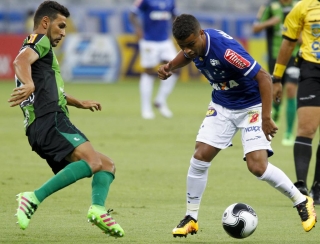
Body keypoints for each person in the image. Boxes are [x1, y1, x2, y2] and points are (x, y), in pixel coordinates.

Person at [157, 14, 317, 238]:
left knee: (258, 167)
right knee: (200, 156)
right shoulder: (192, 46)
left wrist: (266, 117)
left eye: (192, 44)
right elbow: (186, 55)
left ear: (201, 34)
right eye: (183, 46)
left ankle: (302, 201)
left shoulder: (225, 51)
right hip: (222, 104)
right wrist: (170, 66)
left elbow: (263, 76)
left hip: (252, 106)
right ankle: (191, 217)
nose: (189, 50)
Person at [7, 1, 124, 237]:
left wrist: (79, 102)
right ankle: (33, 198)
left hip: (38, 127)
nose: (63, 32)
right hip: (51, 119)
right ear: (45, 22)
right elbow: (19, 61)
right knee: (92, 162)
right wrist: (28, 83)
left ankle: (98, 209)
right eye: (61, 26)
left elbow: (51, 90)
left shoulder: (40, 51)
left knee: (106, 165)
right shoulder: (38, 40)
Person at [272, 0, 320, 203]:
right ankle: (301, 185)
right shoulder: (303, 7)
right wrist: (277, 77)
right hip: (311, 71)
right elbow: (289, 42)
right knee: (307, 128)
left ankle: (319, 187)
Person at [252, 0, 300, 146]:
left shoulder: (299, 6)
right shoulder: (270, 6)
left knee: (291, 90)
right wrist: (270, 22)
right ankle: (277, 110)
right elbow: (255, 28)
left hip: (295, 56)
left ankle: (289, 133)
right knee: (276, 90)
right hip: (276, 57)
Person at [129, 0, 178, 119]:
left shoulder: (170, 1)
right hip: (149, 41)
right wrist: (138, 30)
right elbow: (132, 14)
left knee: (176, 68)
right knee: (149, 72)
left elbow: (174, 16)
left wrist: (178, 30)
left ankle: (160, 100)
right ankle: (146, 108)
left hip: (165, 40)